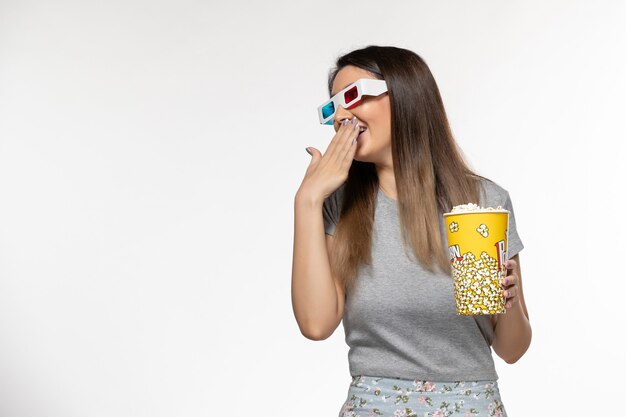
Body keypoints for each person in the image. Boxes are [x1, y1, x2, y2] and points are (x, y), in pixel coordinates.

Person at [291, 45, 531, 417]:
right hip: (374, 406)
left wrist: (510, 300)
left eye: (353, 96)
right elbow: (316, 323)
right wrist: (307, 201)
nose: (341, 115)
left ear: (405, 95)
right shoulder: (341, 204)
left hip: (473, 406)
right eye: (332, 107)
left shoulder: (483, 201)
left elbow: (511, 349)